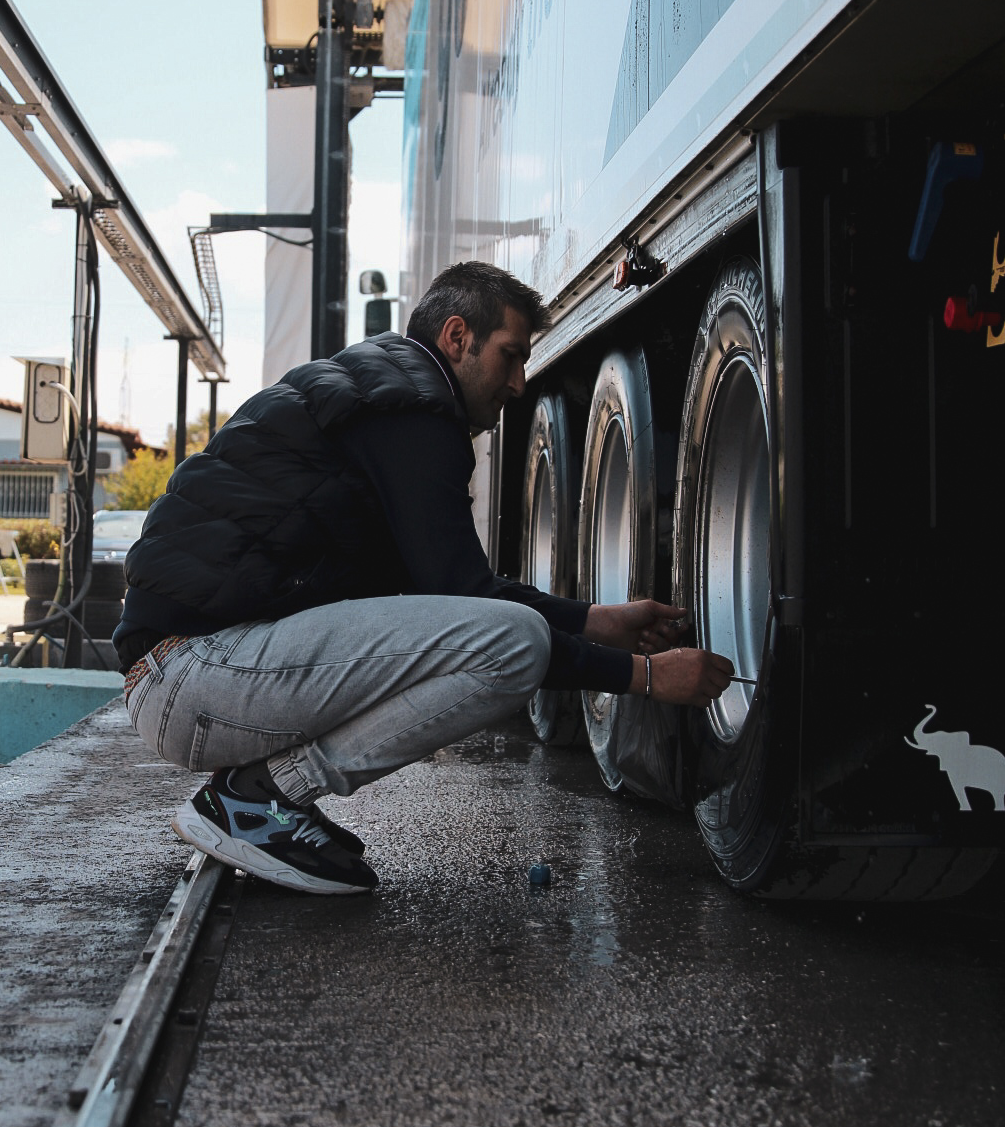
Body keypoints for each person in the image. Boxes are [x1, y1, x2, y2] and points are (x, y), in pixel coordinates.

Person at [116, 261, 733, 895]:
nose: (519, 383)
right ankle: (262, 799)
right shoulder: (412, 412)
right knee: (513, 646)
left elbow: (448, 592)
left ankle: (262, 797)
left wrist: (594, 621)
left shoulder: (383, 393)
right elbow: (478, 609)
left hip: (192, 674)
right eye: (511, 356)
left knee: (506, 632)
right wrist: (649, 679)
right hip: (194, 678)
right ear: (458, 337)